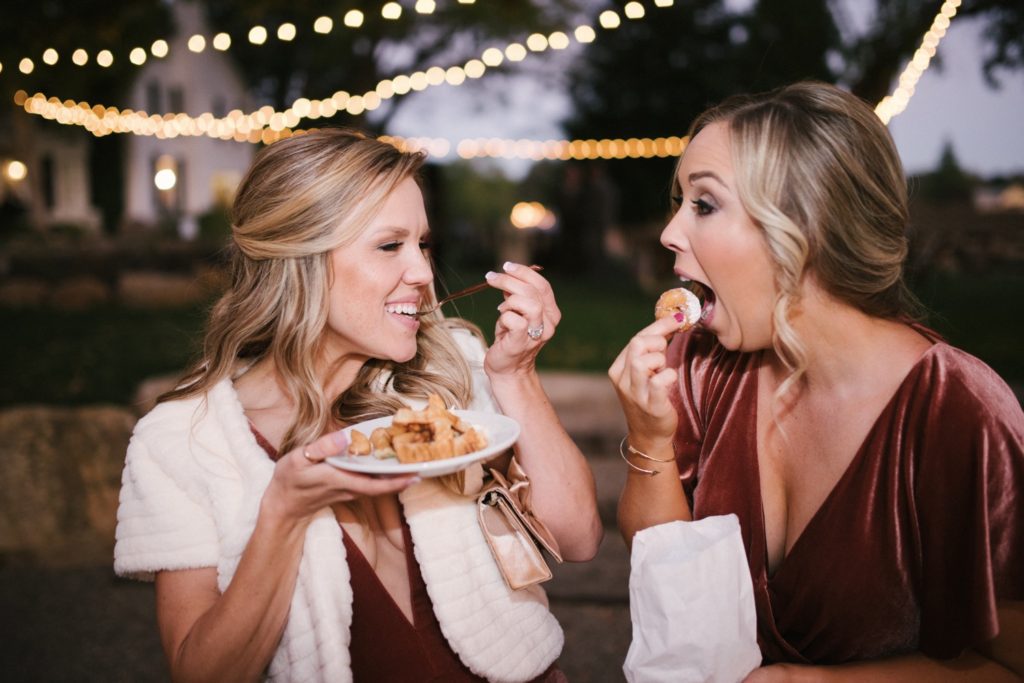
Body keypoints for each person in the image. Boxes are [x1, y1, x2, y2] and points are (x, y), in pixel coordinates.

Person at [114, 128, 602, 682]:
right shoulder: (184, 440)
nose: (421, 272)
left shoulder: (453, 371)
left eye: (423, 244)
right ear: (300, 258)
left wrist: (516, 375)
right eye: (390, 245)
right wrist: (283, 515)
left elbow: (578, 537)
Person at [610, 81, 1023, 678]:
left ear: (803, 229)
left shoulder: (960, 413)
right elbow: (670, 579)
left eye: (702, 204)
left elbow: (1007, 663)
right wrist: (648, 440)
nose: (670, 233)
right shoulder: (700, 365)